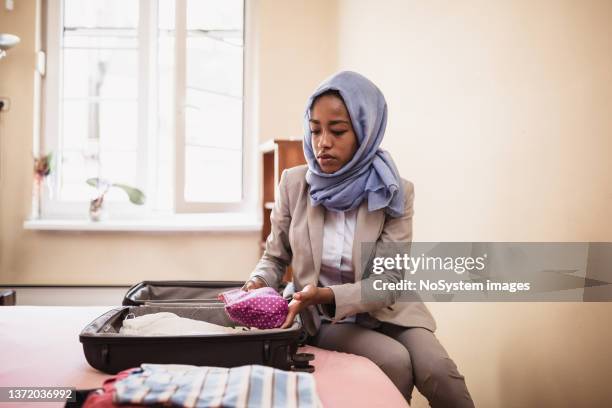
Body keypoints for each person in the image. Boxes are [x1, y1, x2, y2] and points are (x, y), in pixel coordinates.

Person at [243, 71, 474, 407]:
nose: (323, 142)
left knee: (441, 373)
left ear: (366, 132)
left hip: (390, 308)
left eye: (337, 131)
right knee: (394, 360)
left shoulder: (394, 189)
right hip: (325, 317)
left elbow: (388, 282)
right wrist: (256, 282)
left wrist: (324, 292)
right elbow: (275, 258)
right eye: (315, 130)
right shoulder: (294, 184)